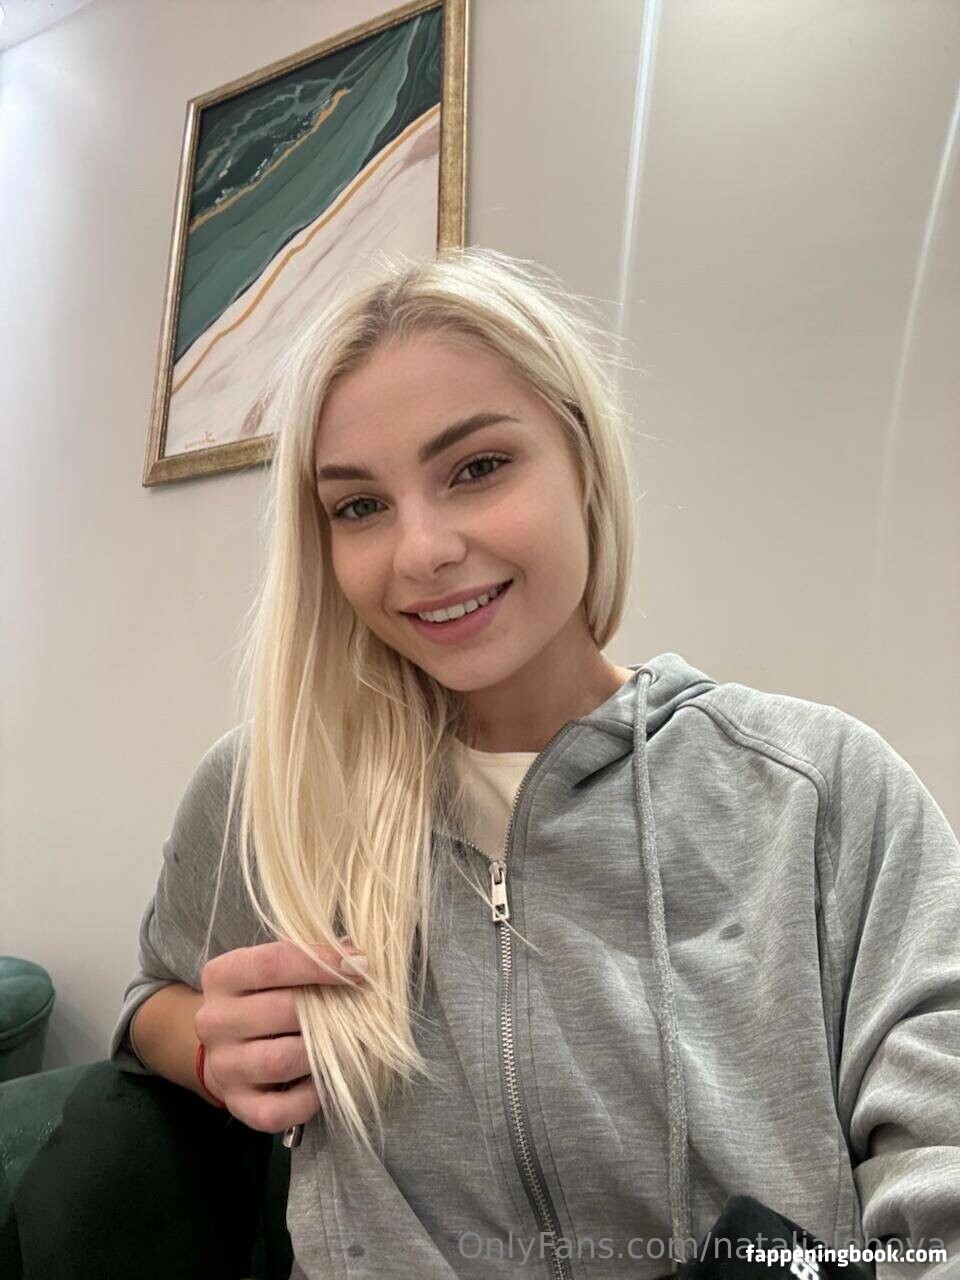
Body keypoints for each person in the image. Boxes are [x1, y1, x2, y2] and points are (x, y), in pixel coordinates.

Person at [110, 247, 960, 1280]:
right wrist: (215, 1047)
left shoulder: (820, 792)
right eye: (360, 506)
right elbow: (151, 998)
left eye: (477, 468)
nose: (422, 550)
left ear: (585, 461)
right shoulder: (276, 787)